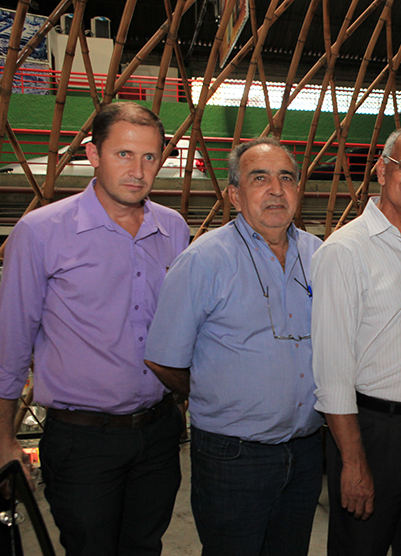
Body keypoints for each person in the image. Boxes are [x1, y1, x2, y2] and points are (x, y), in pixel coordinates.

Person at [0, 102, 189, 556]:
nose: (138, 170)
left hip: (157, 433)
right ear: (93, 155)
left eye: (150, 157)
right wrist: (0, 436)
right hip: (82, 441)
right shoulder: (41, 232)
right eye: (123, 154)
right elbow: (12, 342)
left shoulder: (173, 229)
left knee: (145, 546)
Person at [144, 138, 322, 556]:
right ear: (235, 194)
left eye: (286, 178)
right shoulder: (205, 259)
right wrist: (214, 391)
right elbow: (162, 357)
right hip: (233, 456)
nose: (276, 190)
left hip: (306, 449)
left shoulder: (320, 255)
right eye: (259, 178)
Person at [311, 124, 401, 556]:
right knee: (361, 547)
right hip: (375, 432)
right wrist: (353, 462)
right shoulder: (346, 251)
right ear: (381, 170)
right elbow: (333, 372)